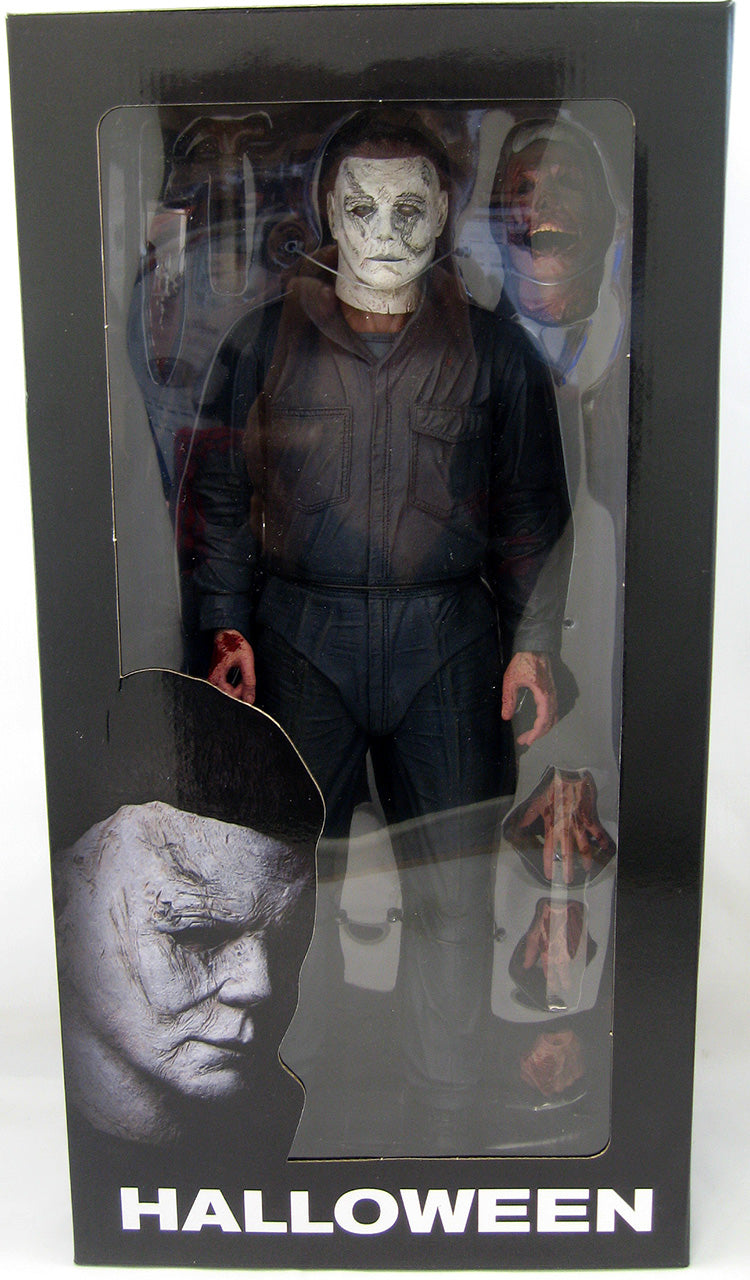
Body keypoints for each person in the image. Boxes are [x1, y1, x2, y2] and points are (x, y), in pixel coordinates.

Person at [186, 108, 572, 1153]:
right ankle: (254, 1100)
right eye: (361, 208)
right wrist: (223, 628)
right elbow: (217, 497)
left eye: (410, 207)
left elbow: (532, 509)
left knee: (454, 886)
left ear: (444, 212)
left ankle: (447, 1117)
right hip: (298, 637)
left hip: (446, 641)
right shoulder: (261, 345)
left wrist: (534, 640)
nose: (386, 231)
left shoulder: (493, 351)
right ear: (327, 209)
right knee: (273, 879)